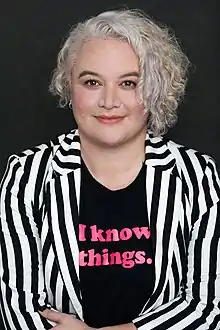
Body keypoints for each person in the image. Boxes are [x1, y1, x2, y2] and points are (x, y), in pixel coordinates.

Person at [0, 8, 220, 330]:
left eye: (129, 83)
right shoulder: (26, 176)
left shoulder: (197, 176)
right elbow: (19, 312)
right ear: (69, 86)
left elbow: (207, 308)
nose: (109, 101)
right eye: (92, 82)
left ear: (154, 88)